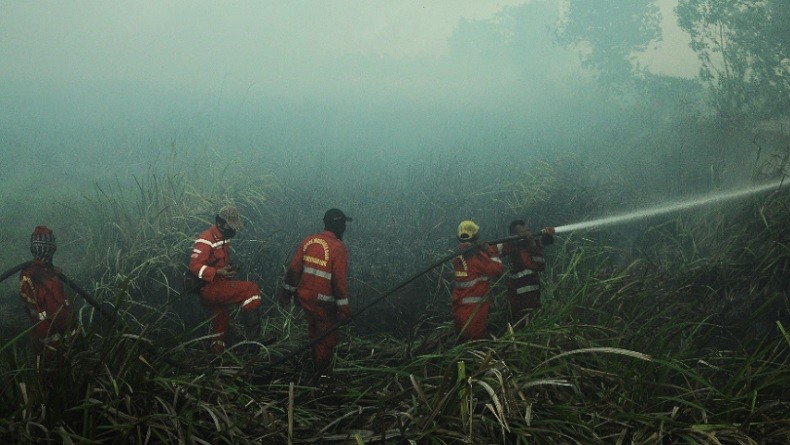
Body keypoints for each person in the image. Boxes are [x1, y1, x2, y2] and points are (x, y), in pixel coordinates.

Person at [278, 208, 352, 382]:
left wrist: (286, 294)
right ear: (339, 225)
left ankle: (317, 371)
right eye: (343, 224)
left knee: (314, 334)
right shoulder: (339, 248)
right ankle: (321, 379)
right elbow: (339, 282)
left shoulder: (309, 241)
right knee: (327, 340)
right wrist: (345, 310)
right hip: (324, 305)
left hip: (305, 300)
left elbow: (293, 270)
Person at [189, 205, 262, 354]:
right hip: (209, 288)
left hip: (218, 285)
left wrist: (228, 269)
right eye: (231, 225)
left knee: (220, 321)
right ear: (221, 223)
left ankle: (216, 355)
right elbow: (194, 266)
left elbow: (220, 262)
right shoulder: (206, 239)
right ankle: (253, 342)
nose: (233, 229)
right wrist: (217, 272)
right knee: (251, 289)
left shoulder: (223, 239)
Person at [19, 225, 73, 360]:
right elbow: (58, 313)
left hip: (42, 337)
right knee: (53, 376)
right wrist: (72, 336)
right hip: (52, 343)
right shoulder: (49, 280)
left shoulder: (26, 273)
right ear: (51, 250)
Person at [494, 220, 555, 327]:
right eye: (522, 232)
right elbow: (539, 265)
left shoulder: (529, 244)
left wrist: (548, 234)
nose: (526, 234)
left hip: (533, 297)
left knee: (533, 323)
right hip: (520, 300)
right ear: (513, 235)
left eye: (527, 231)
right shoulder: (514, 247)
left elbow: (544, 241)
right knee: (522, 325)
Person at [451, 220, 504, 342]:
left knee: (463, 344)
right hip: (474, 312)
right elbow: (498, 270)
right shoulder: (476, 257)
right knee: (475, 344)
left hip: (460, 309)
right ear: (475, 237)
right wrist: (489, 251)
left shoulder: (458, 256)